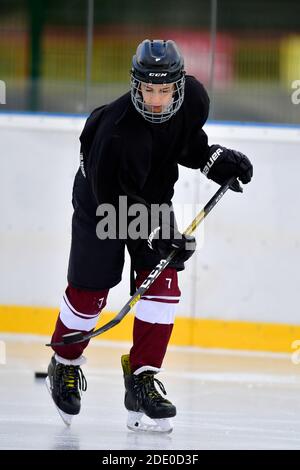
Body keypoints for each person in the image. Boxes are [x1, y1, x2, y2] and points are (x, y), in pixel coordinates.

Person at [46, 39, 253, 432]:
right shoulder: (116, 133)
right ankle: (64, 363)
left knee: (162, 283)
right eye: (148, 89)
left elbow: (185, 143)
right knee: (91, 294)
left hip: (152, 196)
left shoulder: (191, 100)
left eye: (163, 90)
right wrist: (160, 235)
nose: (156, 99)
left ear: (177, 86)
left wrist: (216, 161)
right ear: (135, 85)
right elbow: (115, 206)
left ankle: (142, 378)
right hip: (101, 205)